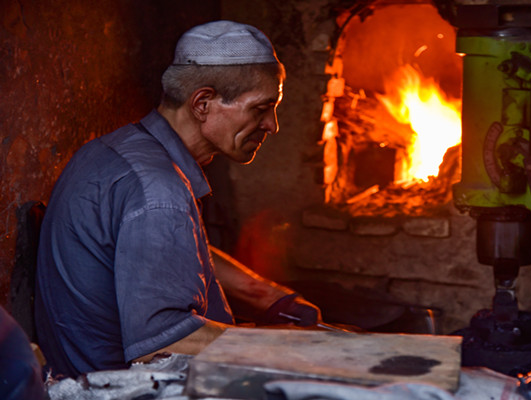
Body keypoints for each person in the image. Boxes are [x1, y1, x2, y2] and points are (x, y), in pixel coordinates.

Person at [34, 20, 321, 378]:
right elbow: (164, 346)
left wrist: (264, 295)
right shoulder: (158, 191)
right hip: (115, 388)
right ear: (202, 103)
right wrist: (295, 348)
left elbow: (167, 250)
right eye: (260, 109)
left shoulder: (114, 149)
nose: (271, 125)